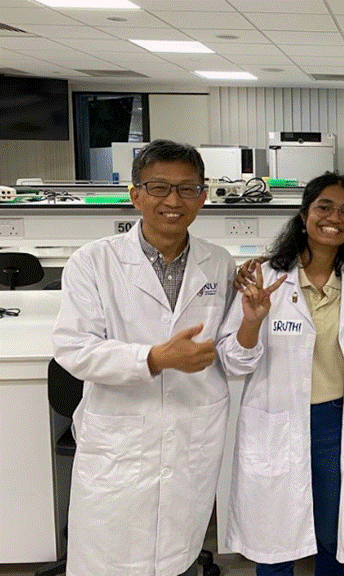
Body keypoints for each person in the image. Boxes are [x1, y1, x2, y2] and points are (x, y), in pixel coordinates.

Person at [51, 140, 235, 576]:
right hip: (119, 443)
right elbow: (75, 349)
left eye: (187, 189)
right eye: (159, 187)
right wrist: (154, 358)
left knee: (178, 558)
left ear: (203, 196)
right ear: (135, 194)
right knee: (106, 562)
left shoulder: (219, 263)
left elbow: (230, 349)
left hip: (191, 434)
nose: (173, 201)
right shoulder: (93, 262)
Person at [218, 172, 344, 576]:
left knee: (329, 534)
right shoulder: (264, 278)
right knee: (274, 538)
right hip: (278, 418)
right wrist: (252, 321)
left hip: (333, 422)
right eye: (324, 207)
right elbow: (234, 360)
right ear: (304, 215)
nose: (333, 218)